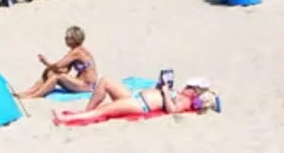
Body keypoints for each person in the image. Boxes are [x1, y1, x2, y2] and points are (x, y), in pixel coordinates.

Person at [53, 76, 183, 126]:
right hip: (134, 97)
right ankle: (87, 112)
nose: (186, 88)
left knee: (104, 110)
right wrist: (160, 88)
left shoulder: (186, 101)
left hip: (140, 104)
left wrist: (165, 92)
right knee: (105, 81)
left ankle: (64, 119)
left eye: (190, 88)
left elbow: (172, 110)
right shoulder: (180, 93)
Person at [14, 26, 98, 97]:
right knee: (52, 73)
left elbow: (59, 65)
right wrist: (49, 71)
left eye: (67, 38)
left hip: (87, 86)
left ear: (74, 39)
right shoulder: (73, 52)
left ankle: (34, 95)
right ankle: (29, 91)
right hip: (80, 83)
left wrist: (45, 63)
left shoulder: (78, 52)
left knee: (57, 77)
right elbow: (65, 70)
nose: (65, 39)